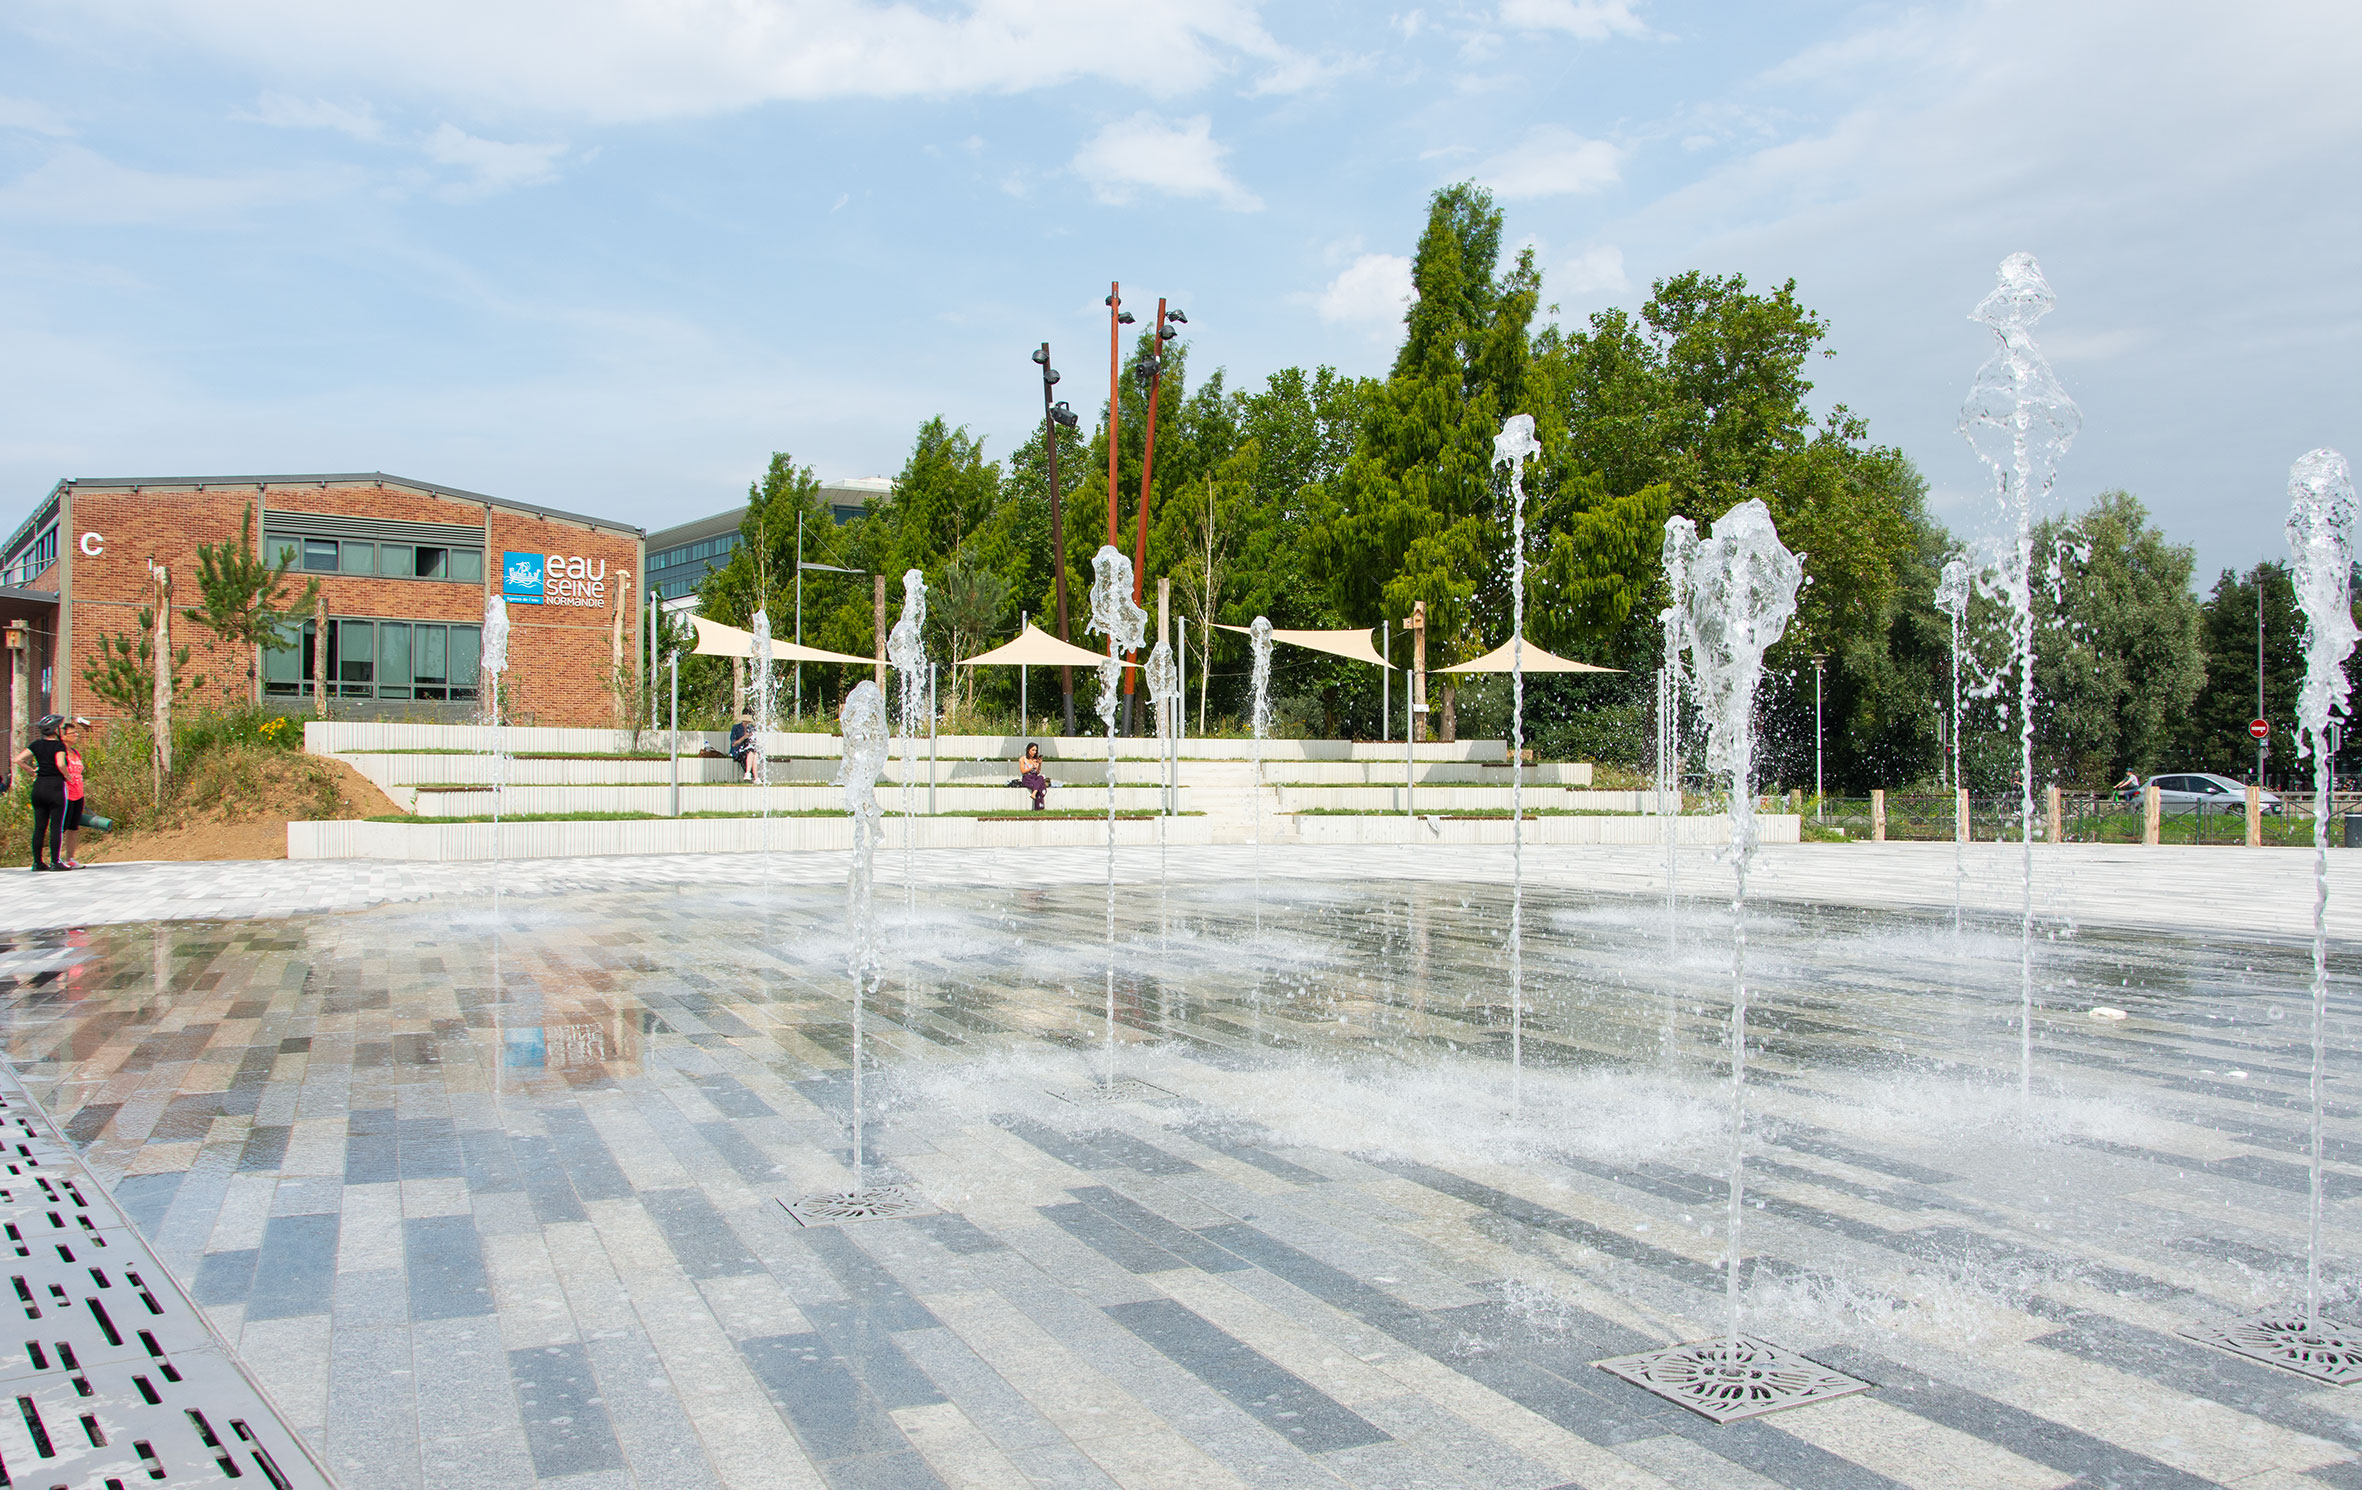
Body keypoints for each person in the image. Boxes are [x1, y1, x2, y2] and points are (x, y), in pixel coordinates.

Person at [12, 715, 67, 871]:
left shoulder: (36, 745)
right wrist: (67, 776)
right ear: (55, 729)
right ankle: (55, 861)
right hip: (55, 787)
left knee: (39, 826)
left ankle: (37, 862)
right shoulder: (59, 746)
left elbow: (18, 759)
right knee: (55, 826)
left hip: (39, 787)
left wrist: (32, 771)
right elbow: (61, 763)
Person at [60, 717, 89, 869]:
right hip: (66, 794)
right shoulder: (60, 753)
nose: (76, 735)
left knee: (73, 827)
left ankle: (70, 857)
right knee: (62, 827)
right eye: (72, 733)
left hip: (78, 794)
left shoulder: (75, 752)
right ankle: (58, 858)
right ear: (63, 736)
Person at [1016, 741, 1050, 811]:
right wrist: (1031, 767)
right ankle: (1039, 808)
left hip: (1034, 777)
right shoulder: (1022, 759)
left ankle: (1034, 793)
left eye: (1036, 750)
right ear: (1028, 750)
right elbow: (1022, 771)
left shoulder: (1035, 760)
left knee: (1041, 778)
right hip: (1027, 778)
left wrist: (1040, 764)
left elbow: (1037, 772)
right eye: (1033, 750)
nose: (1034, 752)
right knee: (1040, 787)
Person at [728, 713, 759, 782]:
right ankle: (748, 773)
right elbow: (734, 744)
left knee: (755, 754)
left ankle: (755, 777)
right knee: (751, 753)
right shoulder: (736, 728)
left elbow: (753, 743)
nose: (747, 724)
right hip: (738, 750)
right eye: (746, 722)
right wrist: (744, 737)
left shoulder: (751, 728)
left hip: (747, 750)